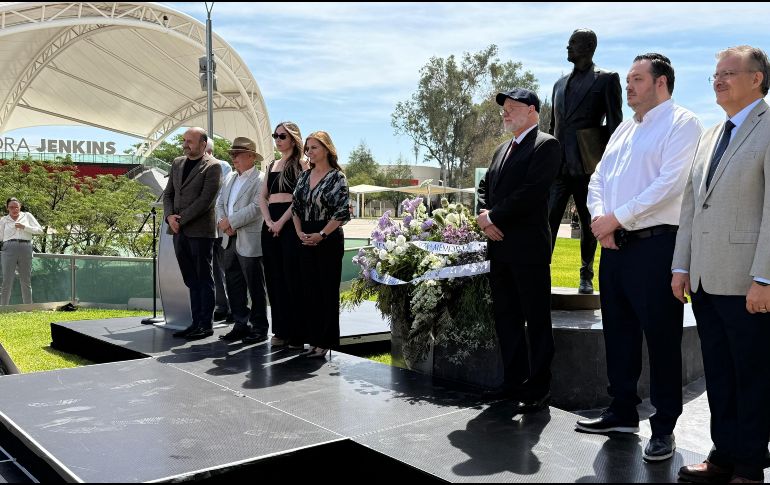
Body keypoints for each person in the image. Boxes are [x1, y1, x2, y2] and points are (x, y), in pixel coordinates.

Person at [577, 54, 703, 463]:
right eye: (629, 79)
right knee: (619, 332)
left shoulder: (683, 123)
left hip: (655, 247)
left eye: (637, 79)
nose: (628, 86)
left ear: (661, 82)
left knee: (662, 338)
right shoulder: (623, 131)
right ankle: (622, 411)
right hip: (614, 247)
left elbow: (670, 185)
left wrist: (617, 217)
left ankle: (663, 426)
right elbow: (598, 179)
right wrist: (601, 220)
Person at [674, 46, 770, 484]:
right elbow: (693, 206)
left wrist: (765, 277)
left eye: (729, 73)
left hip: (748, 281)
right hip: (706, 280)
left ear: (757, 79)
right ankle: (724, 456)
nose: (718, 80)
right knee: (719, 374)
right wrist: (681, 267)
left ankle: (749, 468)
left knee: (752, 378)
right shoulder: (711, 135)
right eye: (715, 74)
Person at [476, 88, 561, 413]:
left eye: (512, 108)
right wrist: (484, 218)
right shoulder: (501, 150)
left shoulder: (546, 145)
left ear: (533, 112)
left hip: (528, 250)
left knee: (536, 320)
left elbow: (531, 191)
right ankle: (512, 383)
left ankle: (539, 389)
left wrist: (493, 217)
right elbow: (485, 187)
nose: (505, 113)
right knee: (506, 319)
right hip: (498, 249)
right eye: (504, 109)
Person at [548, 29, 623, 295]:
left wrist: (611, 166)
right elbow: (553, 126)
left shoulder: (606, 80)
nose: (567, 47)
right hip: (558, 167)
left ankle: (586, 274)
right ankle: (541, 271)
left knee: (589, 222)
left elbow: (615, 126)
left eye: (573, 43)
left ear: (589, 46)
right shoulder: (558, 84)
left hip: (588, 165)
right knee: (548, 220)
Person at [291, 131, 350, 358]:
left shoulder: (337, 177)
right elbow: (296, 207)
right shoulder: (304, 177)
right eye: (308, 148)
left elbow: (342, 211)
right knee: (309, 291)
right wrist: (299, 233)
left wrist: (322, 235)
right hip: (305, 237)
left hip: (328, 238)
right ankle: (313, 340)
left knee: (326, 291)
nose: (309, 152)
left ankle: (325, 342)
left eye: (314, 147)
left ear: (327, 149)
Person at [162, 127, 222, 340]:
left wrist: (180, 220)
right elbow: (168, 194)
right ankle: (195, 322)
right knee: (190, 279)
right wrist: (170, 217)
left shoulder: (213, 167)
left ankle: (205, 325)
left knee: (204, 279)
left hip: (200, 233)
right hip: (178, 232)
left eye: (190, 141)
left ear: (203, 144)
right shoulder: (177, 163)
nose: (185, 144)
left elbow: (206, 201)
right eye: (184, 140)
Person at [215, 137, 270, 344]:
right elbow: (220, 202)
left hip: (249, 240)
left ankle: (259, 327)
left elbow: (257, 208)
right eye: (232, 154)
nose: (233, 157)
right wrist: (223, 222)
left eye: (237, 154)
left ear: (251, 157)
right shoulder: (229, 177)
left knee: (255, 286)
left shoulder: (261, 179)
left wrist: (230, 222)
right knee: (233, 284)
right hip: (228, 239)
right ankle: (240, 324)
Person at [259, 122, 304, 349]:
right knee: (273, 278)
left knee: (291, 278)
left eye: (282, 136)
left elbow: (299, 199)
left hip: (290, 223)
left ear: (293, 138)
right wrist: (269, 221)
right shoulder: (271, 165)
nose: (277, 139)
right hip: (269, 225)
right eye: (275, 136)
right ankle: (280, 330)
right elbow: (262, 197)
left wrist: (280, 223)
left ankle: (297, 332)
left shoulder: (301, 164)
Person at [206, 138, 233, 323]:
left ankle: (233, 307)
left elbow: (220, 195)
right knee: (214, 269)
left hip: (219, 225)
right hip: (204, 228)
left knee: (225, 268)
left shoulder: (222, 166)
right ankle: (221, 306)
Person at [0, 198, 43, 305]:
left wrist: (24, 227)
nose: (14, 209)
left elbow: (39, 230)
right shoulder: (4, 220)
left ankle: (28, 307)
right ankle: (3, 307)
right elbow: (0, 237)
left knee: (26, 280)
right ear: (7, 208)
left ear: (20, 207)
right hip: (9, 248)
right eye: (11, 207)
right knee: (7, 280)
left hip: (25, 247)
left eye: (16, 207)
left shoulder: (27, 216)